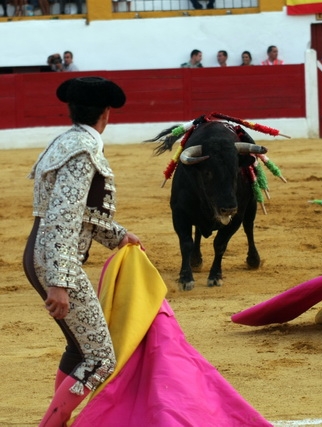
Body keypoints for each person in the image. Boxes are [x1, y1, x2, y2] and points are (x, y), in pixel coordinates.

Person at [23, 76, 144, 426]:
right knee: (100, 359)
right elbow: (64, 216)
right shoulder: (83, 152)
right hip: (57, 259)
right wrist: (60, 281)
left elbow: (79, 213)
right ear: (107, 113)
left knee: (80, 350)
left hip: (41, 252)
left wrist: (119, 236)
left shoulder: (65, 141)